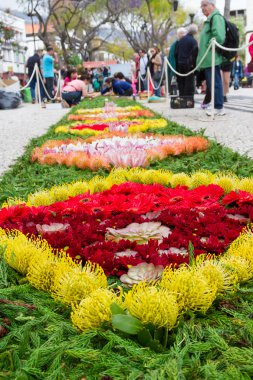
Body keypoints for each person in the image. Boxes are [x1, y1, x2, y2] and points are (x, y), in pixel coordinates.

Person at [196, 0, 226, 116]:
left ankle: (218, 107)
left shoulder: (216, 17)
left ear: (212, 5)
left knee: (215, 83)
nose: (203, 8)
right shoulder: (209, 19)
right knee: (212, 83)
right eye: (201, 6)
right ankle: (216, 105)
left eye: (205, 5)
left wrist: (209, 46)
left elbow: (219, 36)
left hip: (212, 56)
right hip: (208, 58)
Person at [175, 24, 198, 99]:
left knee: (181, 82)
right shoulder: (193, 41)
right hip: (189, 65)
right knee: (189, 82)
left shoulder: (180, 40)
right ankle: (188, 98)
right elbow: (195, 54)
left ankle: (181, 97)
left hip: (180, 64)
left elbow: (176, 53)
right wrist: (195, 66)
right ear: (195, 32)